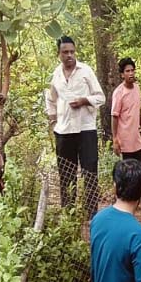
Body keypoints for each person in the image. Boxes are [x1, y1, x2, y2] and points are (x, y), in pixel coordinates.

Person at [46, 35, 105, 217]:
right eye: (65, 52)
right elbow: (50, 99)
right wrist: (53, 121)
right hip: (64, 131)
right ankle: (69, 213)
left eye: (72, 51)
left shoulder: (85, 71)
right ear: (59, 54)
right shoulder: (56, 75)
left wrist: (84, 100)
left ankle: (92, 213)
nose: (69, 55)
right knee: (66, 173)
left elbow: (100, 97)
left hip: (86, 129)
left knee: (90, 171)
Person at [110, 57, 141, 206]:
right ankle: (124, 199)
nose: (131, 73)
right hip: (125, 140)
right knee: (127, 171)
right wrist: (115, 139)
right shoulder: (119, 92)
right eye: (127, 71)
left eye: (132, 70)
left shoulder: (137, 88)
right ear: (122, 74)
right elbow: (114, 116)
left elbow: (138, 111)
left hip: (136, 139)